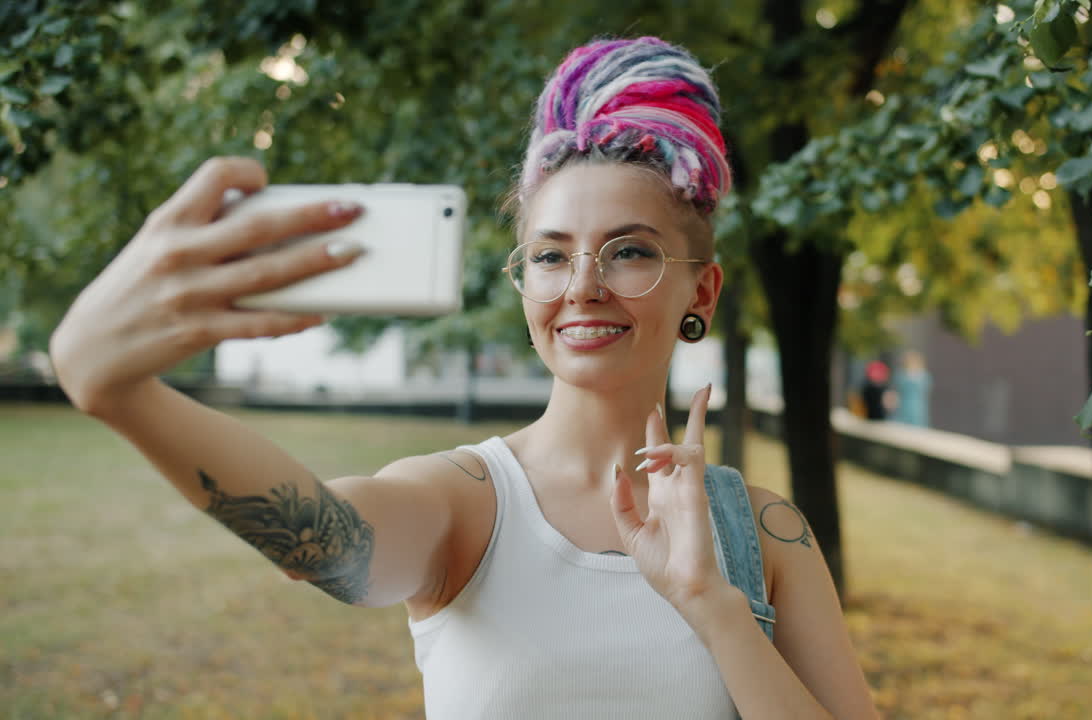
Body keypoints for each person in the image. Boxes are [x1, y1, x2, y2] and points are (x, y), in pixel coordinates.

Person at [50, 37, 879, 719]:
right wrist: (119, 393)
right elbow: (327, 544)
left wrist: (714, 607)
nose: (582, 285)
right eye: (550, 255)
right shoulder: (469, 501)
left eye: (629, 251)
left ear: (702, 290)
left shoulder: (764, 535)